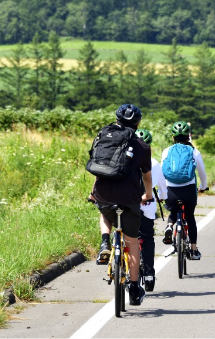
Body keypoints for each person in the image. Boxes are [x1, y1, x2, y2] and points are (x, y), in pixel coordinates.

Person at [89, 104, 153, 306]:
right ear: (138, 123)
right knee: (132, 241)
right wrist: (148, 195)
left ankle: (105, 242)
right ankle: (134, 288)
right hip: (129, 199)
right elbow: (147, 176)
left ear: (116, 120)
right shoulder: (142, 146)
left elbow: (98, 165)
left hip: (104, 194)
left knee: (104, 211)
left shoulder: (102, 136)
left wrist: (93, 193)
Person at [162, 121, 208, 260]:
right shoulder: (194, 151)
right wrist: (203, 186)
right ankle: (193, 250)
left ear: (173, 137)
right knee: (189, 217)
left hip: (171, 190)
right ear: (188, 136)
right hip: (188, 190)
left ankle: (170, 225)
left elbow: (163, 173)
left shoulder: (166, 151)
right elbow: (202, 172)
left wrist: (163, 190)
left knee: (173, 210)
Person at [135, 128, 168, 292]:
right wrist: (162, 196)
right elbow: (163, 188)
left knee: (128, 236)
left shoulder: (127, 160)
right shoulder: (154, 163)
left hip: (129, 203)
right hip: (147, 206)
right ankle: (149, 275)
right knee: (147, 238)